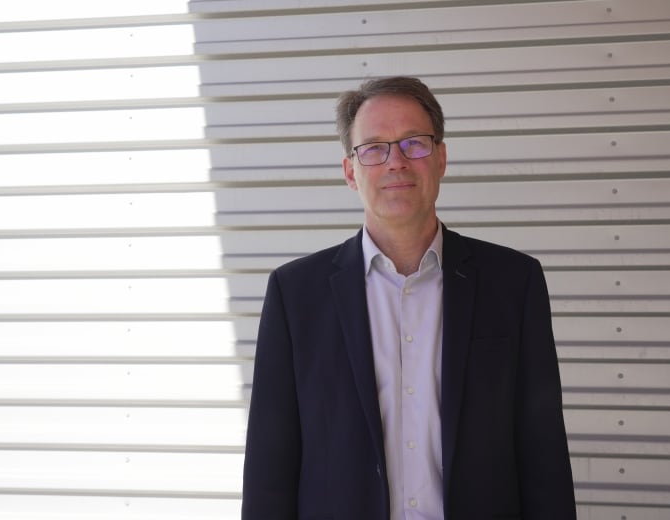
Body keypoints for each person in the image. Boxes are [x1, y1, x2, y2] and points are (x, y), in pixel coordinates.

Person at [241, 76, 576, 519]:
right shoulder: (295, 294)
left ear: (440, 158)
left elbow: (543, 454)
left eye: (413, 143)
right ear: (350, 172)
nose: (396, 161)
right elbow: (270, 467)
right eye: (374, 148)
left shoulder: (514, 282)